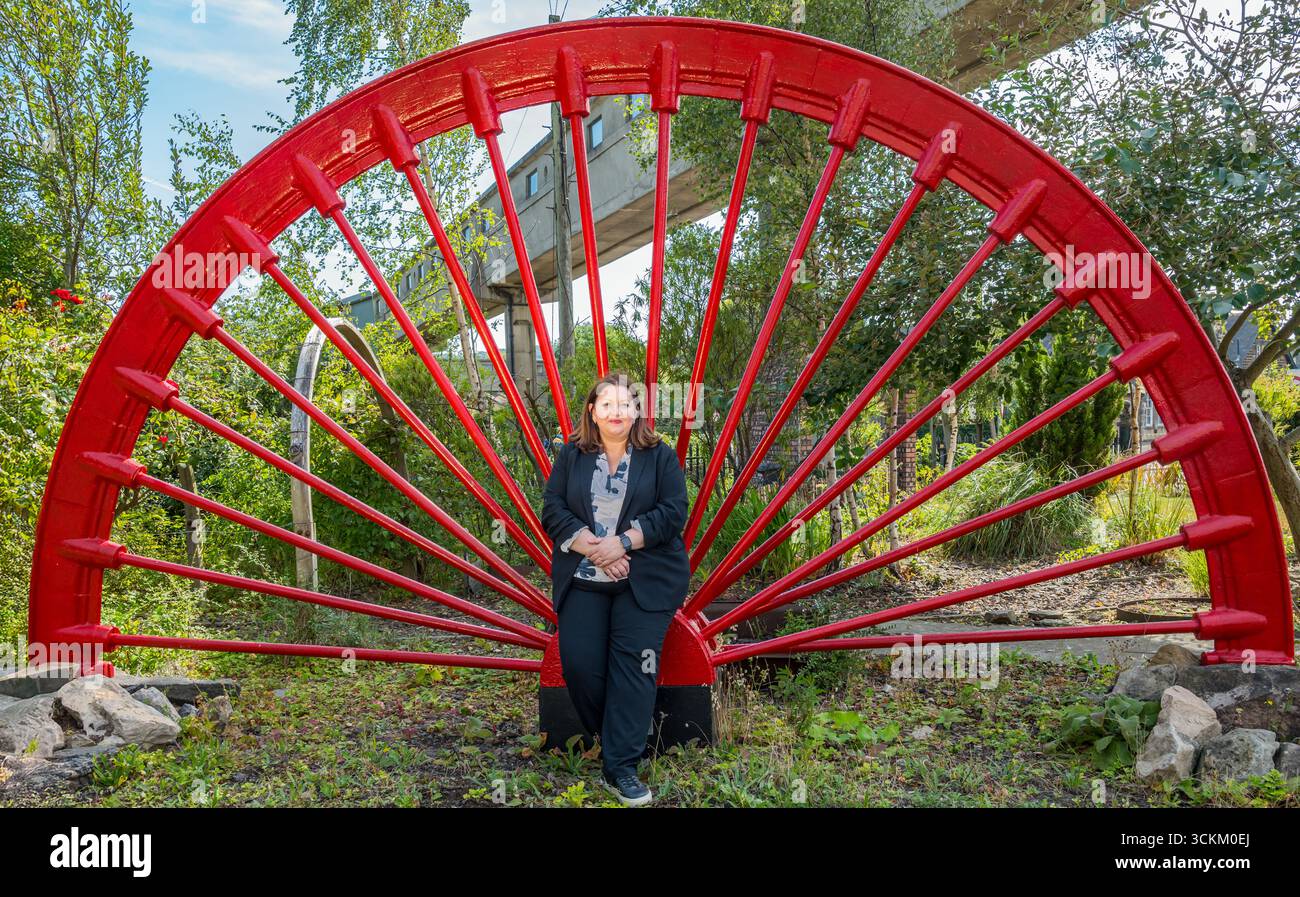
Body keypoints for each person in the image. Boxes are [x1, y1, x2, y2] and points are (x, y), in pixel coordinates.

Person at [540, 370, 690, 806]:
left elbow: (672, 513)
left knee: (635, 667)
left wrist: (622, 543)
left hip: (644, 579)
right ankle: (612, 737)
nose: (617, 412)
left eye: (625, 404)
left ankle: (621, 766)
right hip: (586, 577)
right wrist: (595, 549)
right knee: (580, 666)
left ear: (637, 410)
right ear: (593, 411)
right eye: (607, 405)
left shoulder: (659, 456)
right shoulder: (571, 454)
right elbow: (553, 508)